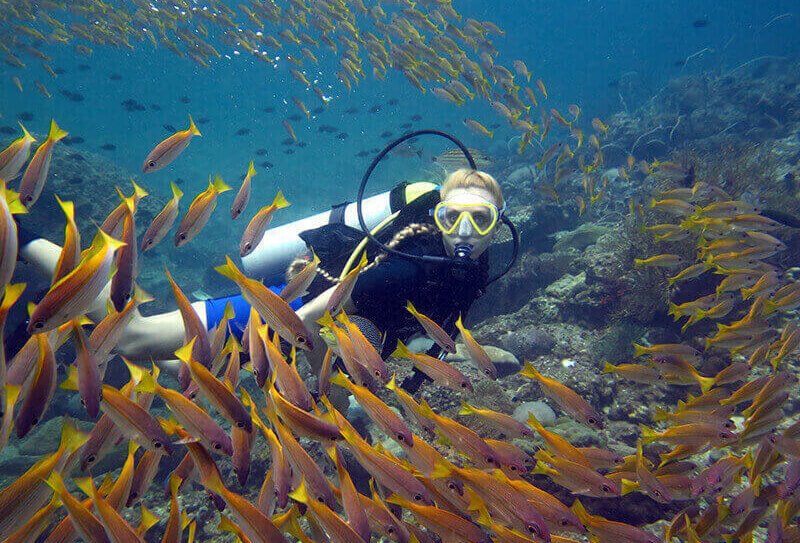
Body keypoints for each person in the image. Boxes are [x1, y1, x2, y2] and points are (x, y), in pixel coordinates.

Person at [16, 168, 507, 393]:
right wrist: (301, 371)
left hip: (306, 343)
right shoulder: (404, 271)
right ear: (436, 215)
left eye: (480, 221)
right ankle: (22, 239)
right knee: (131, 337)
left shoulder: (472, 273)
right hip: (277, 310)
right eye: (453, 217)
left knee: (179, 369)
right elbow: (309, 317)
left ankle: (55, 305)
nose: (465, 233)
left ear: (499, 225)